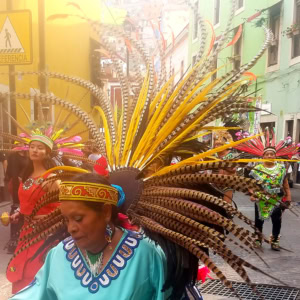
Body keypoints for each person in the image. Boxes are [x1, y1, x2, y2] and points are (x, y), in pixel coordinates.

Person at [10, 173, 172, 300]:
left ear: (106, 212)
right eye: (66, 220)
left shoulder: (145, 255)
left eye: (78, 218)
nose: (71, 228)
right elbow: (35, 294)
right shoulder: (59, 254)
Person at [6, 134, 61, 293]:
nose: (35, 150)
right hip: (26, 233)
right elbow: (27, 204)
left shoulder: (52, 180)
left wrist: (42, 219)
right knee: (20, 270)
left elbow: (64, 210)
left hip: (45, 235)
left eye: (40, 147)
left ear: (48, 152)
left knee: (36, 272)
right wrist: (19, 213)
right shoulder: (26, 178)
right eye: (32, 146)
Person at [249, 148, 291, 250]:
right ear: (263, 156)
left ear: (275, 156)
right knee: (259, 221)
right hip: (261, 199)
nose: (269, 156)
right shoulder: (257, 169)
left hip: (276, 198)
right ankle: (258, 240)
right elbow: (251, 185)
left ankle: (275, 241)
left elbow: (285, 184)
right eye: (267, 154)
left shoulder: (281, 169)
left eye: (271, 154)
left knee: (277, 220)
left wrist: (288, 197)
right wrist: (252, 194)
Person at [4, 145, 28, 254]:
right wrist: (16, 194)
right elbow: (13, 175)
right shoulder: (14, 157)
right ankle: (13, 244)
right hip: (16, 188)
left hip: (25, 187)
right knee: (16, 211)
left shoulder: (27, 157)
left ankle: (21, 241)